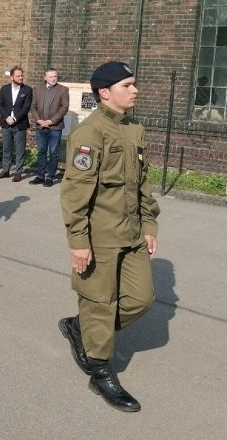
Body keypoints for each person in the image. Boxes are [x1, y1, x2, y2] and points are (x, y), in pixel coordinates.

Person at [58, 61, 160, 413]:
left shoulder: (135, 129)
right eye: (128, 85)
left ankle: (81, 327)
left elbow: (142, 184)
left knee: (142, 299)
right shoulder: (89, 135)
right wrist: (78, 242)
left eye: (134, 84)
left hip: (131, 232)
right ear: (105, 92)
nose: (135, 90)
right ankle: (100, 372)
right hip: (99, 235)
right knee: (100, 302)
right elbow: (75, 194)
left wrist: (149, 225)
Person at [29, 68, 69, 187]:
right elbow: (33, 107)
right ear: (45, 78)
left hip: (55, 127)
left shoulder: (63, 90)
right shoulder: (37, 89)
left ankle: (50, 177)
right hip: (41, 126)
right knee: (41, 151)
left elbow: (64, 107)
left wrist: (51, 121)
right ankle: (40, 175)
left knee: (53, 153)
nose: (53, 78)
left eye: (55, 76)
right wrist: (39, 120)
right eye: (51, 77)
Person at [0, 66, 32, 182]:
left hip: (20, 124)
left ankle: (18, 172)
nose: (21, 78)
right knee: (6, 148)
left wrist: (15, 118)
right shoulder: (4, 89)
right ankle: (6, 170)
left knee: (20, 149)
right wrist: (7, 117)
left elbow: (26, 107)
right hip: (6, 123)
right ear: (12, 77)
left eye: (22, 75)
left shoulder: (27, 90)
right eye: (18, 76)